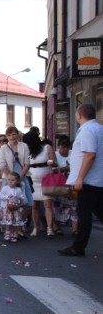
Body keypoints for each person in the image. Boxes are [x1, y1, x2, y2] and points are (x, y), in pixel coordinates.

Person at [59, 103, 103, 257]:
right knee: (98, 211)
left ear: (79, 115)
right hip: (98, 179)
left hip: (89, 180)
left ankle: (78, 247)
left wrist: (80, 178)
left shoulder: (87, 131)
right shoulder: (99, 129)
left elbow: (90, 155)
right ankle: (78, 246)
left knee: (84, 214)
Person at [0, 125, 32, 225]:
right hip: (8, 177)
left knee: (26, 202)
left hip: (22, 175)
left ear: (17, 135)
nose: (12, 137)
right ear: (7, 136)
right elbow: (2, 164)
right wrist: (11, 178)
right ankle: (8, 224)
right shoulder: (4, 147)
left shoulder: (24, 146)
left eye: (13, 134)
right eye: (9, 135)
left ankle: (21, 223)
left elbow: (27, 163)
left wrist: (20, 177)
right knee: (8, 202)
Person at [26, 133, 58, 237]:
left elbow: (56, 163)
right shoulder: (28, 151)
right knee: (34, 205)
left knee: (48, 204)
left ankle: (49, 228)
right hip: (33, 181)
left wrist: (51, 163)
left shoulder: (46, 148)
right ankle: (36, 227)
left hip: (46, 181)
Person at [0, 172, 28, 243]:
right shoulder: (5, 188)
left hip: (15, 208)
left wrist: (19, 198)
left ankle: (14, 233)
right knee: (9, 220)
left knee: (15, 221)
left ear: (17, 181)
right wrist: (7, 197)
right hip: (7, 208)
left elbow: (22, 197)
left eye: (12, 180)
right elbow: (0, 196)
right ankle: (7, 232)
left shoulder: (18, 189)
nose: (10, 182)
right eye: (8, 180)